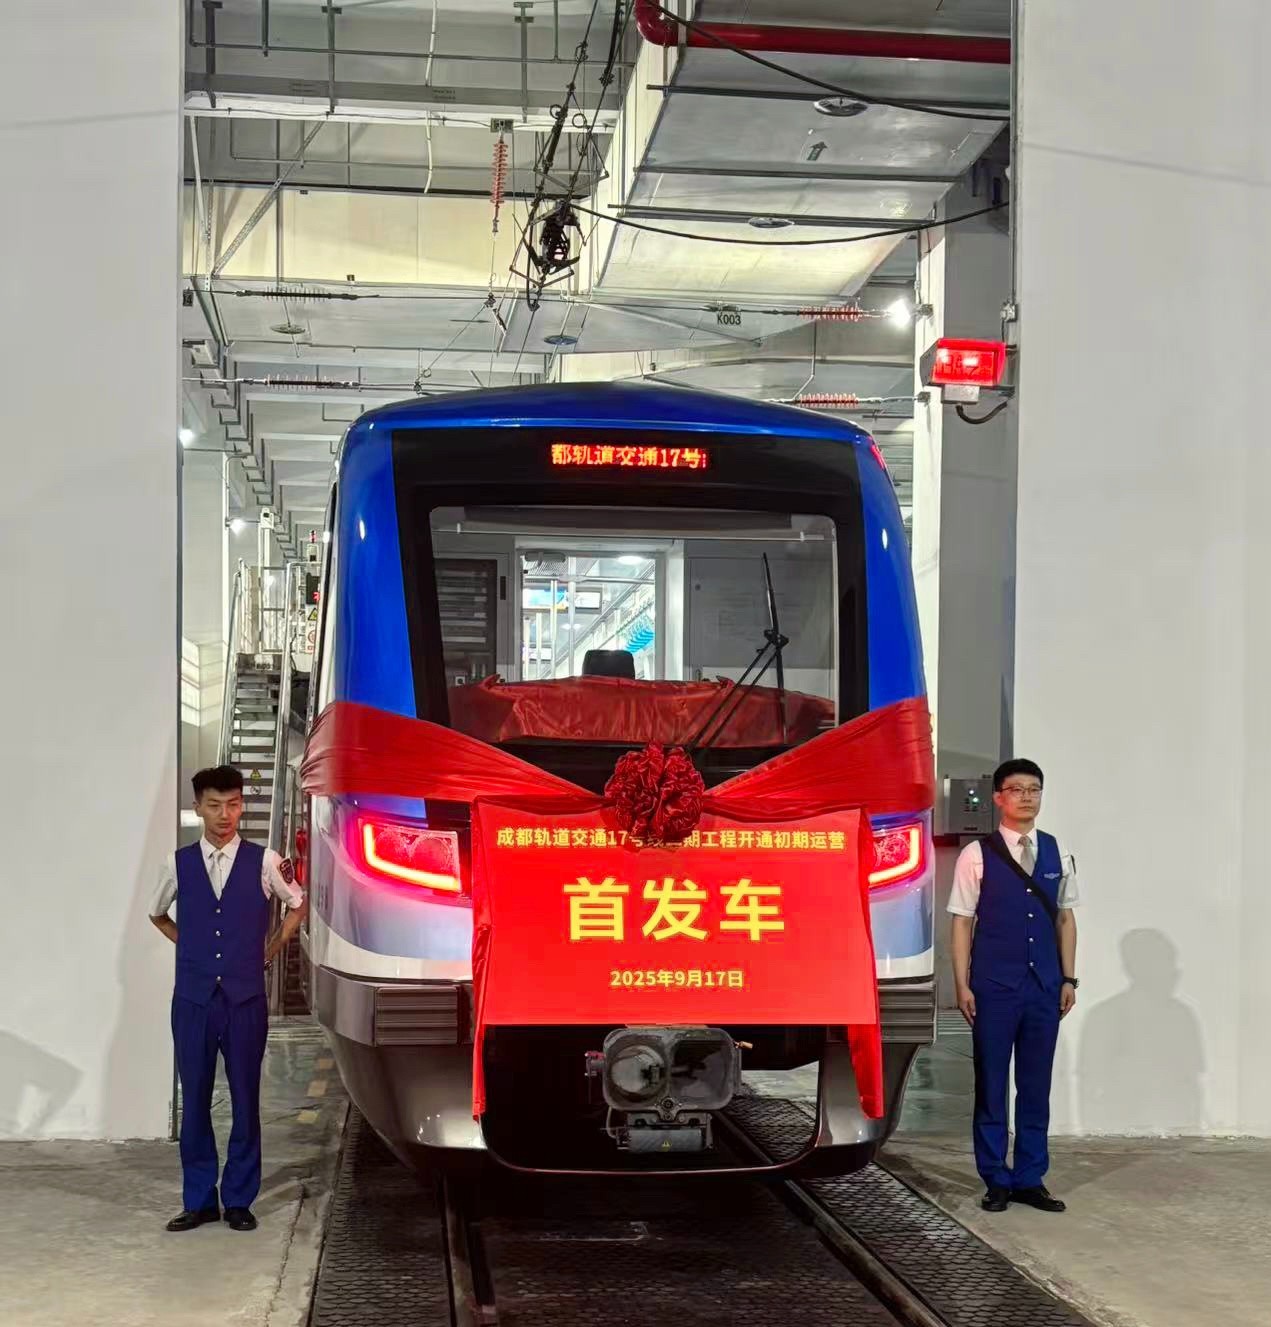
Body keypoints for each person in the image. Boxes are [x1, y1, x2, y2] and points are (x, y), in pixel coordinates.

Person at [149, 766, 307, 1233]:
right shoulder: (177, 863)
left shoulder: (265, 861)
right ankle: (199, 1200)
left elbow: (298, 903)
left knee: (245, 1097)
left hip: (244, 1000)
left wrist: (271, 948)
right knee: (195, 1099)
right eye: (215, 805)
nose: (225, 814)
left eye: (233, 804)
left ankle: (239, 1198)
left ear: (241, 806)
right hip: (193, 1001)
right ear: (198, 807)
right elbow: (157, 915)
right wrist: (191, 948)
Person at [947, 758, 1078, 1214]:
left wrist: (1068, 977)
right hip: (993, 987)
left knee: (1036, 1085)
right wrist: (962, 984)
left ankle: (1029, 1177)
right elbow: (962, 922)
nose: (1027, 797)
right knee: (992, 1083)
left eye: (1034, 789)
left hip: (1044, 987)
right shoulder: (976, 854)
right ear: (998, 798)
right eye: (1017, 789)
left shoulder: (1057, 851)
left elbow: (1065, 918)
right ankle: (995, 1177)